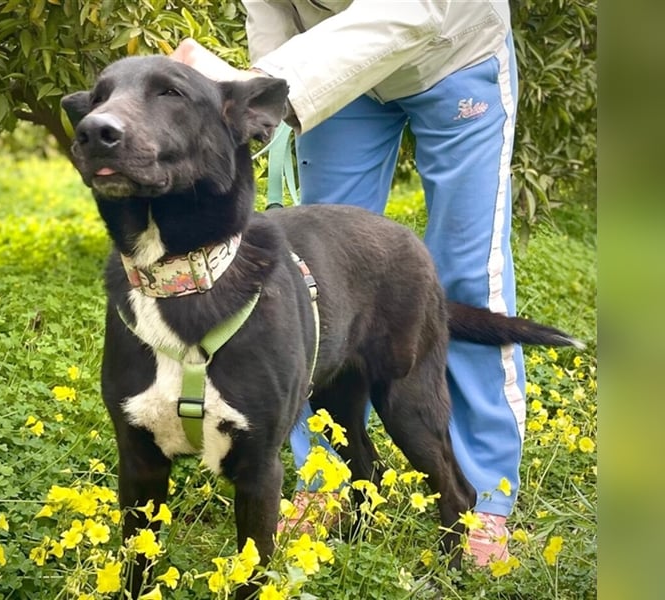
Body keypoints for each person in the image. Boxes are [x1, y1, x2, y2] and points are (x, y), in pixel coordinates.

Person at [171, 0, 524, 566]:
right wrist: (262, 98)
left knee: (467, 270)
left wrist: (261, 78)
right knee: (321, 275)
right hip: (338, 74)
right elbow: (269, 11)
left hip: (454, 51)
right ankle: (329, 476)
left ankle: (483, 496)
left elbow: (416, 10)